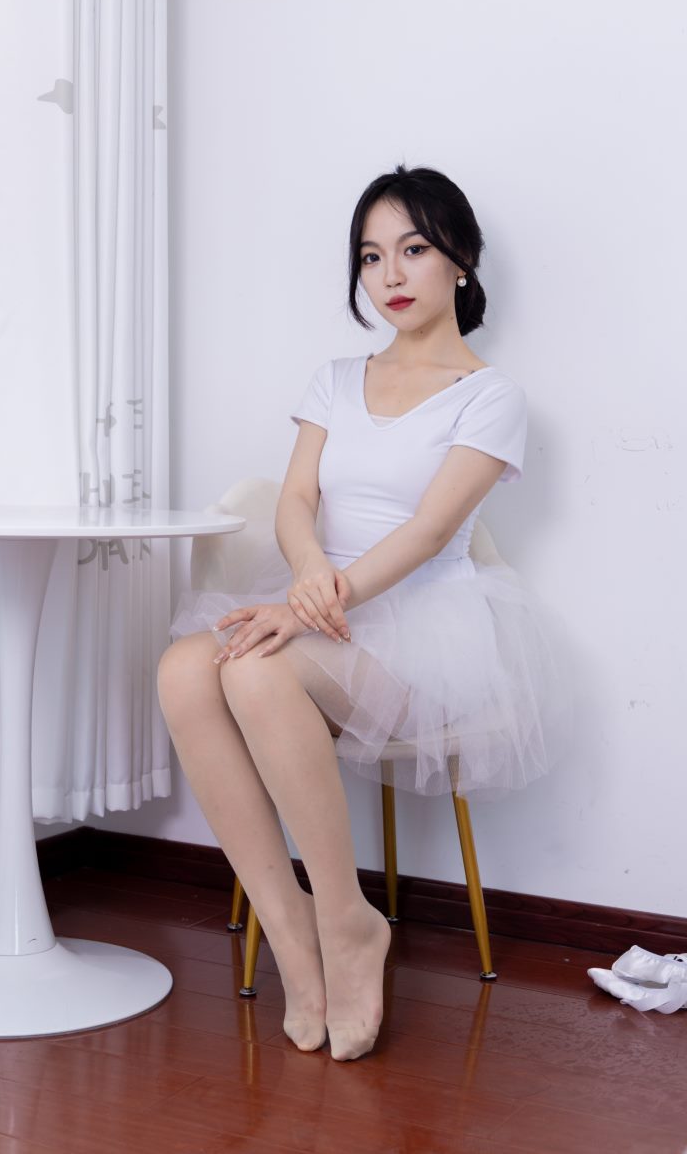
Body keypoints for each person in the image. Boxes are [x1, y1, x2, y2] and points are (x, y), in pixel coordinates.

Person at [157, 163, 574, 1063]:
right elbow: (296, 499)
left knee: (255, 670)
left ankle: (349, 921)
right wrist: (307, 574)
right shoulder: (336, 378)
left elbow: (430, 531)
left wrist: (323, 603)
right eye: (372, 256)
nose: (391, 275)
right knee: (184, 668)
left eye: (414, 249)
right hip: (322, 601)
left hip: (424, 633)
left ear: (461, 259)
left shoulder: (490, 395)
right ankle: (292, 932)